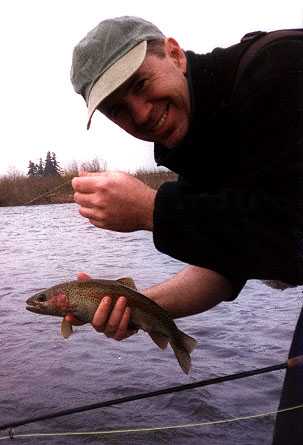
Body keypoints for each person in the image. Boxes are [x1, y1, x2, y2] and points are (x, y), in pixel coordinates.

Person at [68, 16, 303, 341]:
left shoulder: (281, 68)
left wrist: (151, 210)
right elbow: (227, 266)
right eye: (117, 109)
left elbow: (293, 235)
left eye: (140, 84)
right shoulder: (194, 143)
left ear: (175, 54)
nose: (141, 114)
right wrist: (135, 306)